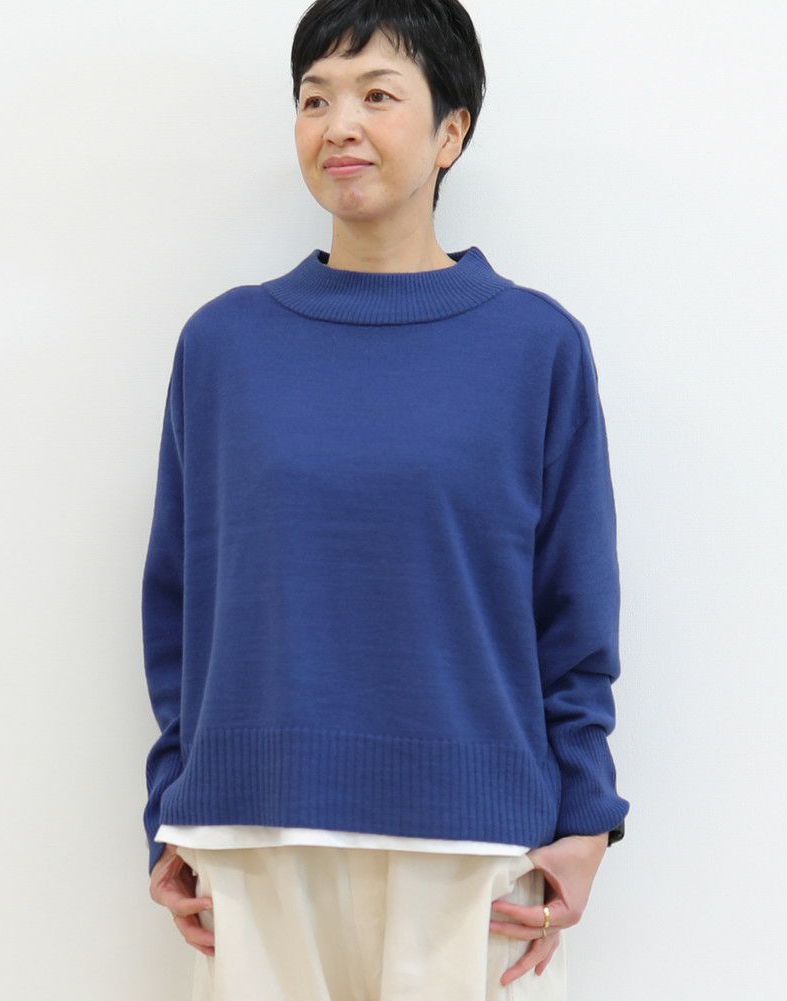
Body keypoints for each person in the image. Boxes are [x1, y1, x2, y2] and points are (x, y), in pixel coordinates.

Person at [141, 2, 629, 999]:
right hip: (254, 833)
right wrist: (170, 807)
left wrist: (586, 815)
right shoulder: (224, 345)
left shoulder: (534, 346)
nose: (339, 126)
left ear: (451, 130)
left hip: (471, 845)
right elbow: (179, 599)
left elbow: (573, 599)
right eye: (314, 98)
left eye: (377, 95)